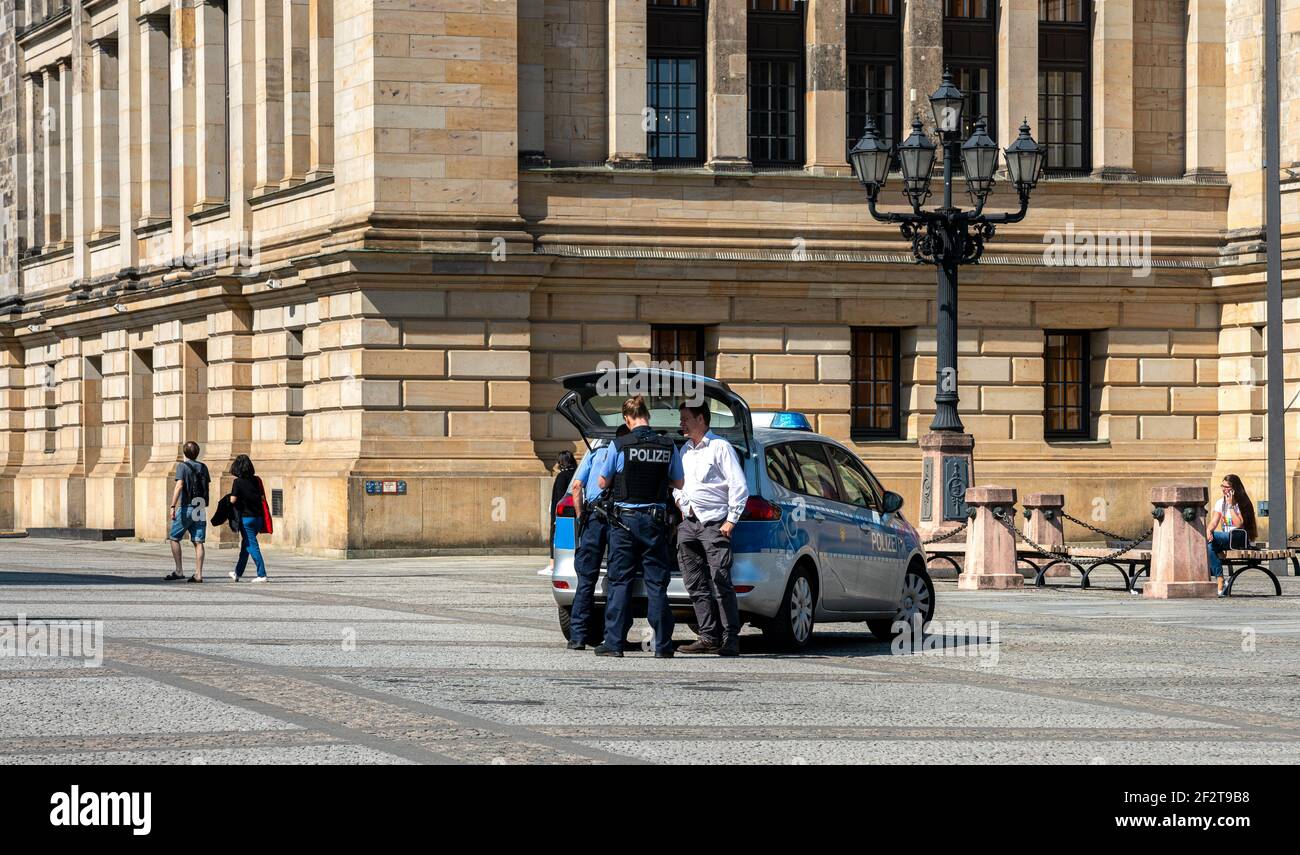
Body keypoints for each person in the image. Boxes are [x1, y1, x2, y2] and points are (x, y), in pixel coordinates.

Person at [593, 395, 684, 658]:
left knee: (620, 581)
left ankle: (614, 643)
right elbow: (679, 483)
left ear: (627, 418)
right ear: (648, 416)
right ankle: (663, 646)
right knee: (657, 584)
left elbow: (601, 483)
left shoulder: (620, 444)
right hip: (655, 522)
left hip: (624, 523)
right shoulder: (667, 445)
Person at [674, 401, 749, 656]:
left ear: (701, 419)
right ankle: (708, 637)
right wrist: (681, 502)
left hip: (715, 524)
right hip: (689, 523)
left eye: (685, 418)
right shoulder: (684, 450)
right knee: (694, 582)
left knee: (720, 583)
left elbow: (739, 486)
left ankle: (731, 639)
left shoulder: (720, 447)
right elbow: (678, 484)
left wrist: (731, 521)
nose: (681, 423)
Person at [565, 426, 630, 650]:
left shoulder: (595, 452)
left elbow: (576, 486)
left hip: (593, 516)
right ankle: (614, 635)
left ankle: (577, 637)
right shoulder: (626, 453)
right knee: (617, 577)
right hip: (618, 518)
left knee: (586, 580)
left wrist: (582, 515)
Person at [164, 441, 210, 583]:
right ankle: (199, 574)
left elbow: (179, 486)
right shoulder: (204, 467)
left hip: (187, 507)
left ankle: (179, 570)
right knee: (198, 541)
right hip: (200, 507)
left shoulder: (182, 467)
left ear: (184, 453)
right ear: (197, 452)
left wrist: (172, 506)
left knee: (174, 537)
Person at [1206, 474, 1257, 597]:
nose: (1224, 489)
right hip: (1228, 539)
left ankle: (1220, 581)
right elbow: (1214, 521)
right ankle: (1220, 579)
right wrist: (1208, 531)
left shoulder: (1243, 503)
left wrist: (1231, 506)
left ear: (1234, 488)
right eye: (1222, 486)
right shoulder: (1220, 502)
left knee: (1213, 538)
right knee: (1209, 546)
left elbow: (1239, 524)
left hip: (1241, 539)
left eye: (1227, 487)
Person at [226, 454, 270, 582]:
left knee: (252, 546)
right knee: (246, 545)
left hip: (246, 518)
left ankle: (262, 574)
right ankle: (237, 573)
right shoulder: (256, 480)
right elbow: (261, 497)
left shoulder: (238, 482)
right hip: (258, 518)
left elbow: (233, 500)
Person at [542, 451, 579, 575]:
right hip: (576, 511)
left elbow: (558, 496)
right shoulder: (577, 474)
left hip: (561, 511)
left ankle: (553, 564)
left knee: (555, 535)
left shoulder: (562, 476)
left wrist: (554, 516)